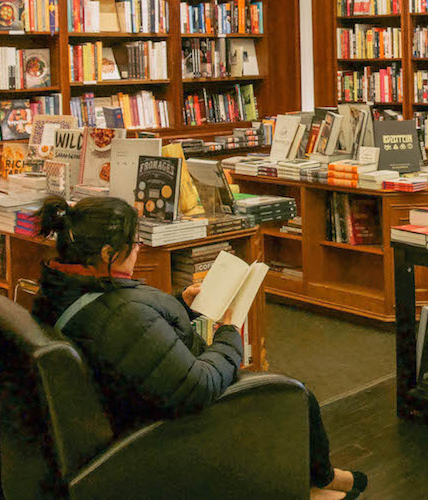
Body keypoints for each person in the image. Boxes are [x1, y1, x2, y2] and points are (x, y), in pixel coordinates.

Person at [31, 196, 369, 500]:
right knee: (295, 394)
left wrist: (183, 304)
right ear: (107, 254)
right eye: (133, 243)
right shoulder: (120, 316)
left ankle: (320, 477)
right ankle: (317, 483)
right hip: (166, 426)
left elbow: (133, 337)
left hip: (136, 396)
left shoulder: (64, 289)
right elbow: (198, 385)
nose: (138, 249)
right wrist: (230, 334)